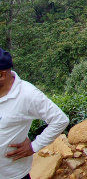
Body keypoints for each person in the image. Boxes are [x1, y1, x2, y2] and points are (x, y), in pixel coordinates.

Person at [0, 48, 68, 179]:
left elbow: (60, 120)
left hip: (12, 175)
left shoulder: (27, 95)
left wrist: (34, 146)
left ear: (2, 75)